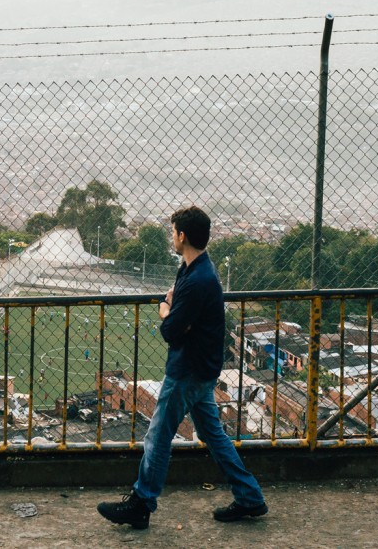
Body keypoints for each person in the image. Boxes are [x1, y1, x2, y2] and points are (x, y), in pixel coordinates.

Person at [97, 205, 267, 529]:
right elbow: (178, 315)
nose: (171, 237)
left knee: (158, 435)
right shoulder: (196, 270)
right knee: (212, 434)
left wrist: (165, 311)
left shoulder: (197, 279)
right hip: (202, 368)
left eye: (172, 232)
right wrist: (175, 313)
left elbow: (170, 330)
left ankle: (142, 502)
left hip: (187, 369)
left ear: (182, 235)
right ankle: (250, 497)